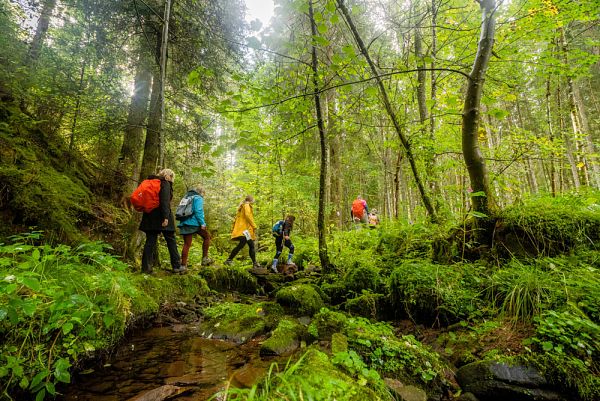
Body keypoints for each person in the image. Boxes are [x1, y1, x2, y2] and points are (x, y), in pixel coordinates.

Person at [139, 169, 184, 274]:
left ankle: (146, 268)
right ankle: (177, 266)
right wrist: (166, 217)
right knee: (171, 239)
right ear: (168, 176)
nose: (172, 180)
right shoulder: (165, 183)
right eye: (172, 177)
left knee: (150, 241)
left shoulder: (151, 182)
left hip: (149, 216)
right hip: (161, 216)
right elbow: (164, 201)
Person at [177, 185, 213, 269]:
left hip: (184, 222)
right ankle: (205, 259)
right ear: (201, 192)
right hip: (194, 223)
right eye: (203, 194)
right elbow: (198, 210)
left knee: (186, 244)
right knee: (207, 237)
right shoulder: (198, 198)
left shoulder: (186, 197)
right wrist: (202, 223)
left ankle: (183, 265)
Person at [225, 195, 259, 268]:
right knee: (251, 245)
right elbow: (248, 215)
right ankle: (254, 263)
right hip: (245, 230)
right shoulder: (246, 205)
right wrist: (254, 225)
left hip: (242, 230)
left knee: (244, 245)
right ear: (251, 200)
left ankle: (229, 260)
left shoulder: (242, 206)